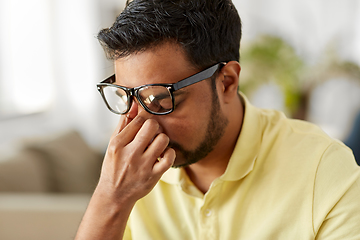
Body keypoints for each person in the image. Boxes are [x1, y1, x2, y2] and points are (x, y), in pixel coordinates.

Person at [75, 0, 360, 239]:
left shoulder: (323, 171)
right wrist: (110, 198)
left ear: (227, 81)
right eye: (126, 96)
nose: (141, 127)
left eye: (161, 99)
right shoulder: (128, 178)